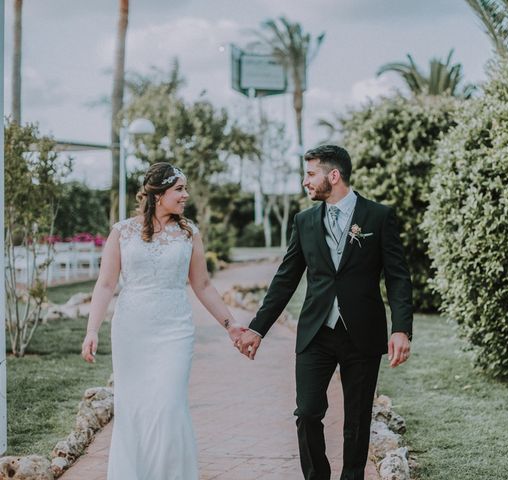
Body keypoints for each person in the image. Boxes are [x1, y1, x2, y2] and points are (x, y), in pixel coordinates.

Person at [236, 145, 413, 480]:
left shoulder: (378, 216)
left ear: (334, 176)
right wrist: (257, 328)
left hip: (362, 332)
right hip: (316, 332)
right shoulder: (304, 222)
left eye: (310, 174)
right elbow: (285, 279)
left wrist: (401, 328)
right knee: (307, 413)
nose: (306, 182)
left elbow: (398, 276)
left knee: (357, 419)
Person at [81, 162, 244, 480]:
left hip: (174, 330)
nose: (186, 195)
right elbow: (105, 284)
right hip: (131, 331)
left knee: (169, 405)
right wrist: (92, 330)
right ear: (158, 194)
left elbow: (203, 285)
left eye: (185, 189)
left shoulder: (189, 233)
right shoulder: (122, 232)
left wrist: (230, 324)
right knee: (135, 409)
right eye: (179, 189)